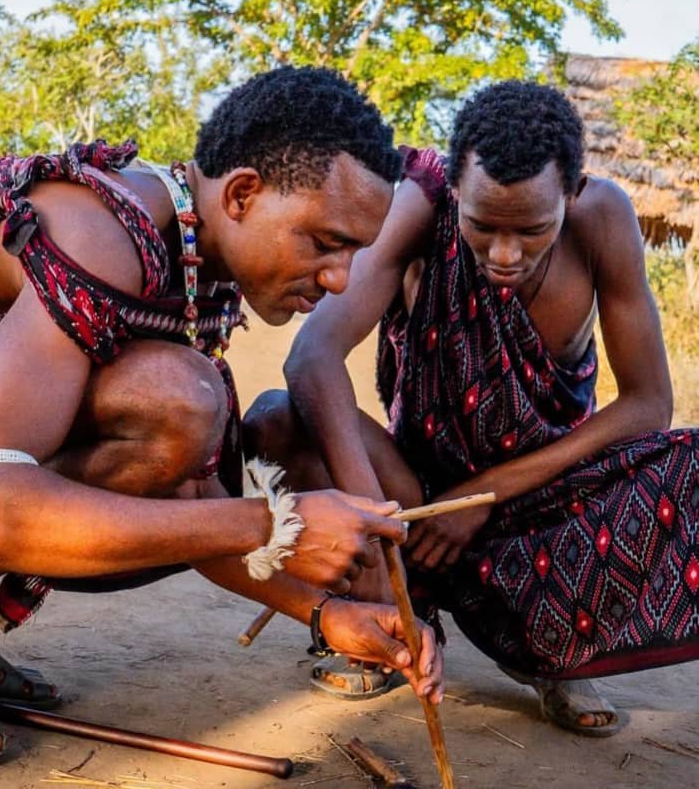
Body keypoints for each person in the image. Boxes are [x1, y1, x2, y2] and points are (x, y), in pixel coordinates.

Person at [0, 65, 444, 769]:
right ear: (240, 194)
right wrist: (275, 524)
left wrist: (327, 614)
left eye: (355, 252)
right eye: (325, 243)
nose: (339, 281)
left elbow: (191, 497)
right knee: (174, 398)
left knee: (182, 411)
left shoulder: (186, 260)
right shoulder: (100, 232)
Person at [245, 79, 699, 733]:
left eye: (531, 230)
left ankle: (553, 650)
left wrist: (485, 495)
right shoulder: (418, 204)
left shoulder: (604, 217)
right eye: (481, 226)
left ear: (570, 197)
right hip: (415, 493)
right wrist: (372, 523)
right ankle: (395, 607)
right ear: (454, 190)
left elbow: (648, 402)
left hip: (547, 503)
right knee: (273, 419)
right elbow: (312, 357)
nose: (503, 254)